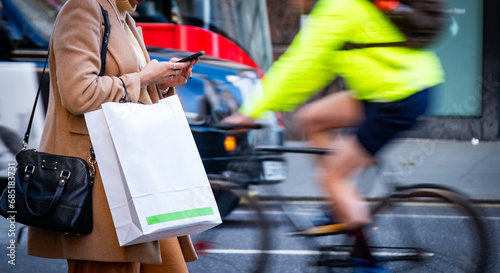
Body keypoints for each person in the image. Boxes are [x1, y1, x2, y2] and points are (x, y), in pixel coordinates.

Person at [222, 0, 444, 270]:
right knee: (312, 118)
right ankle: (338, 206)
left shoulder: (338, 7)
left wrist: (250, 112)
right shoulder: (338, 8)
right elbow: (315, 69)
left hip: (399, 97)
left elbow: (300, 63)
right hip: (388, 88)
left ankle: (366, 263)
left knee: (332, 178)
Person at [27, 0, 198, 272]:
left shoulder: (123, 15)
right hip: (100, 182)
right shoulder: (83, 8)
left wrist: (161, 82)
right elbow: (79, 94)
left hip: (139, 178)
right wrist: (142, 78)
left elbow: (130, 90)